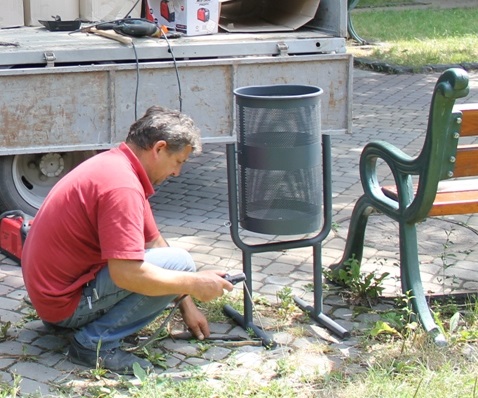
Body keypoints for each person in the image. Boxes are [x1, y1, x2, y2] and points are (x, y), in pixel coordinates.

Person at [21, 105, 233, 374]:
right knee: (181, 264)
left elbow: (155, 243)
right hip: (63, 305)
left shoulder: (118, 165)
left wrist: (186, 304)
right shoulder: (122, 187)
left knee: (175, 262)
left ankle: (80, 326)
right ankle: (94, 344)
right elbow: (127, 275)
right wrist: (194, 283)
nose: (177, 172)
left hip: (53, 298)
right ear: (158, 148)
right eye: (178, 161)